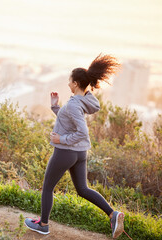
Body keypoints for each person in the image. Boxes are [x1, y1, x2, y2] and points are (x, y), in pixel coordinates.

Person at [24, 54, 125, 239]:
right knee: (82, 190)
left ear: (76, 83)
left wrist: (60, 140)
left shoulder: (73, 104)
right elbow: (70, 123)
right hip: (80, 154)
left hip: (66, 152)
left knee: (47, 188)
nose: (68, 83)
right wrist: (55, 108)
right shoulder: (83, 101)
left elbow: (82, 132)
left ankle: (43, 224)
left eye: (70, 81)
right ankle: (113, 214)